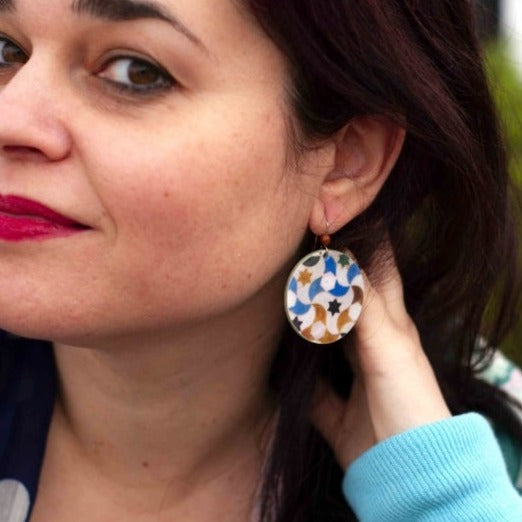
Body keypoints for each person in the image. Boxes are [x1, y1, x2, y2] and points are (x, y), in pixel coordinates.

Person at [0, 0, 521, 520]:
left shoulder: (482, 472)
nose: (10, 116)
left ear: (347, 162)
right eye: (5, 49)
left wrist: (432, 498)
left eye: (134, 71)